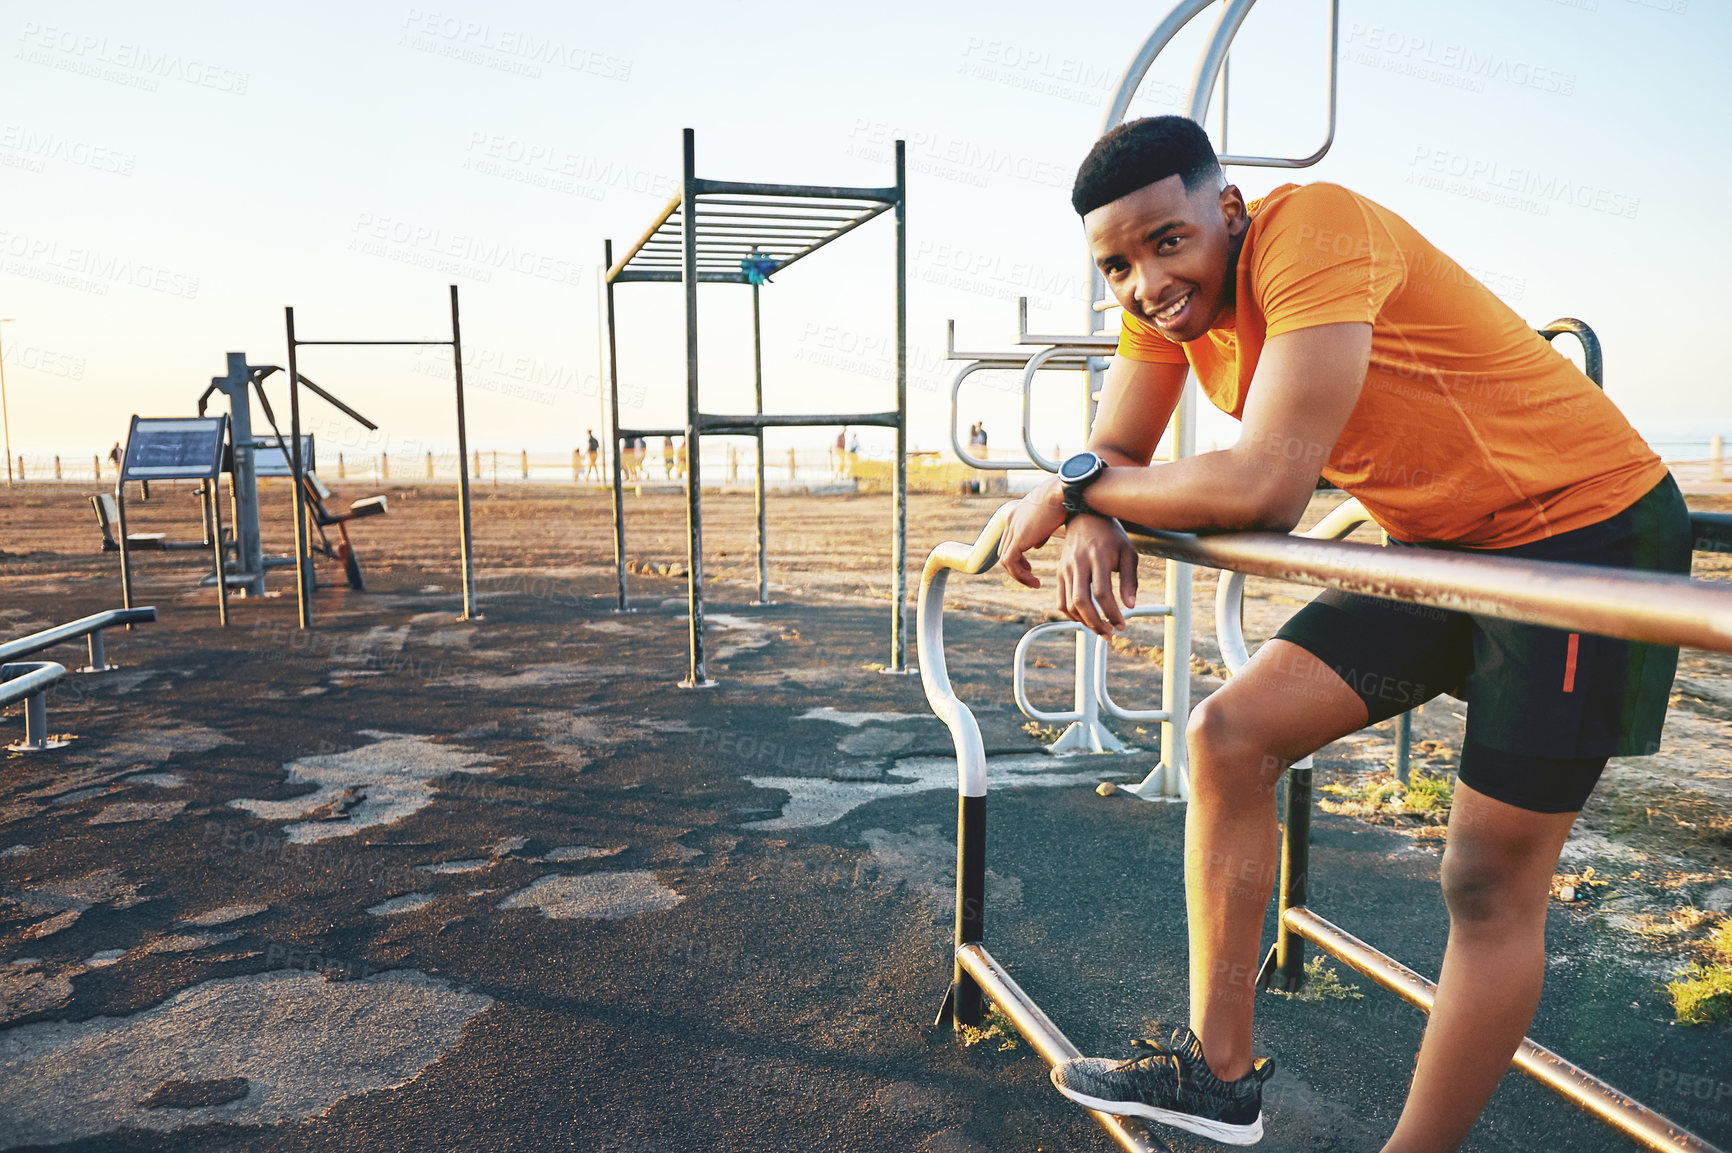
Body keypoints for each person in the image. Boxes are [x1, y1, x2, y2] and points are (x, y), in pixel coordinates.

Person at [999, 116, 1688, 1151]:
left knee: (1484, 879)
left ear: (1226, 210)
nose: (1144, 280)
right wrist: (1088, 500)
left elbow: (1263, 485)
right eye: (1117, 266)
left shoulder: (1312, 230)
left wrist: (1082, 488)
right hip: (1437, 545)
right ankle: (1218, 1076)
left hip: (1581, 539)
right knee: (1227, 735)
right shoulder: (1161, 304)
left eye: (1166, 242)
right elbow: (1111, 449)